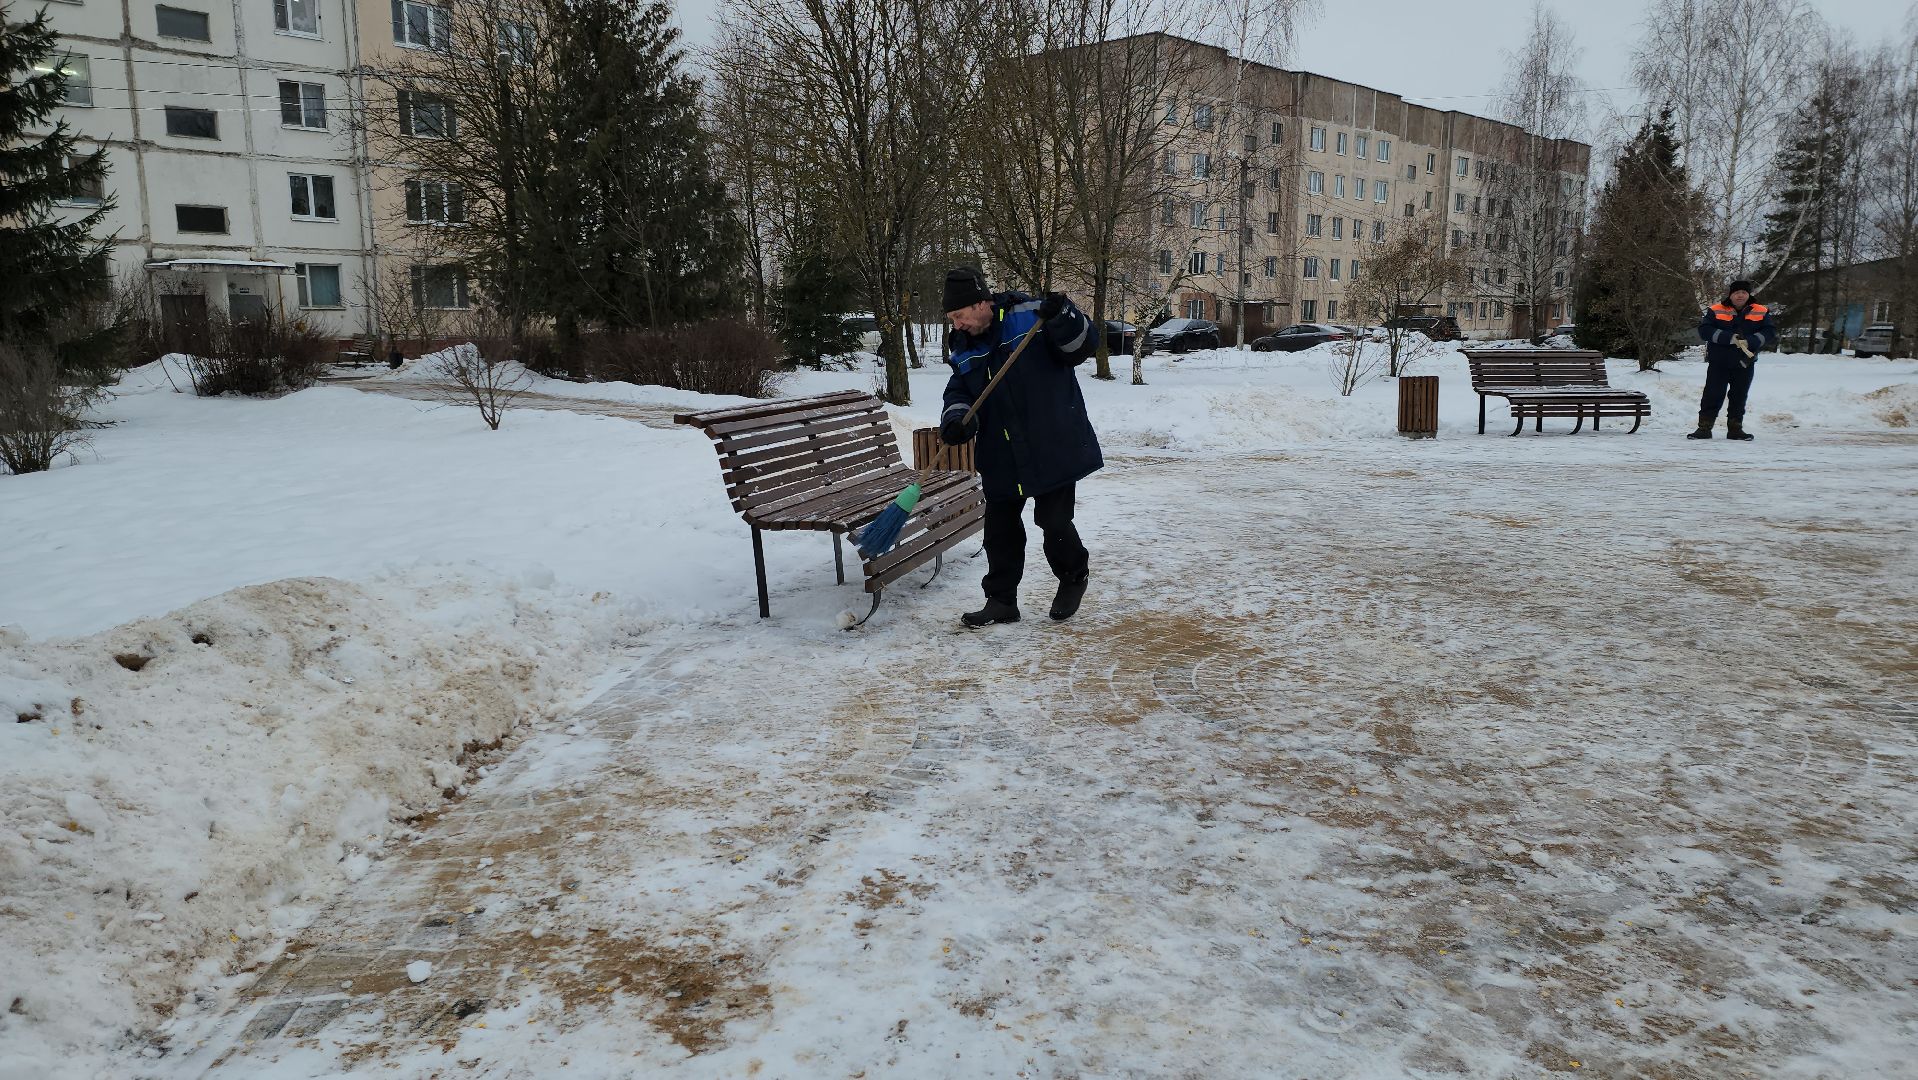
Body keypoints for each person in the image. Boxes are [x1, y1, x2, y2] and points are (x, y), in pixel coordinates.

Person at [939, 267, 1102, 627]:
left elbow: (1083, 346)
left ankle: (1074, 576)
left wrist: (1064, 315)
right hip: (1000, 449)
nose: (957, 325)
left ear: (981, 302)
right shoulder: (965, 346)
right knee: (1000, 530)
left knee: (1053, 519)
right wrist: (956, 417)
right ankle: (1001, 601)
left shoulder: (1031, 316)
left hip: (1050, 441)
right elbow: (960, 390)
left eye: (959, 316)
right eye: (951, 319)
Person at [1689, 279, 1775, 442]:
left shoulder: (1761, 311)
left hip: (1745, 362)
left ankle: (1735, 430)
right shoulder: (1716, 310)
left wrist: (1751, 341)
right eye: (1737, 292)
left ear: (1749, 294)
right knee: (1712, 395)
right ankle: (1704, 428)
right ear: (1731, 295)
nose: (1740, 295)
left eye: (1744, 292)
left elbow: (1769, 332)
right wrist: (1729, 338)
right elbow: (1705, 331)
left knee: (1739, 396)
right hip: (1719, 362)